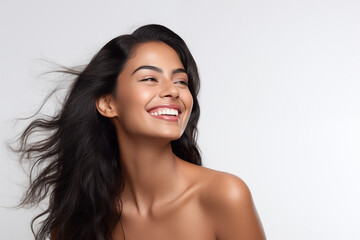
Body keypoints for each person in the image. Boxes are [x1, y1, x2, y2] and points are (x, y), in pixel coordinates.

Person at [15, 24, 266, 240]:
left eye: (181, 81)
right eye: (149, 79)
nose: (174, 91)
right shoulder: (78, 214)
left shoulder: (224, 195)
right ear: (107, 103)